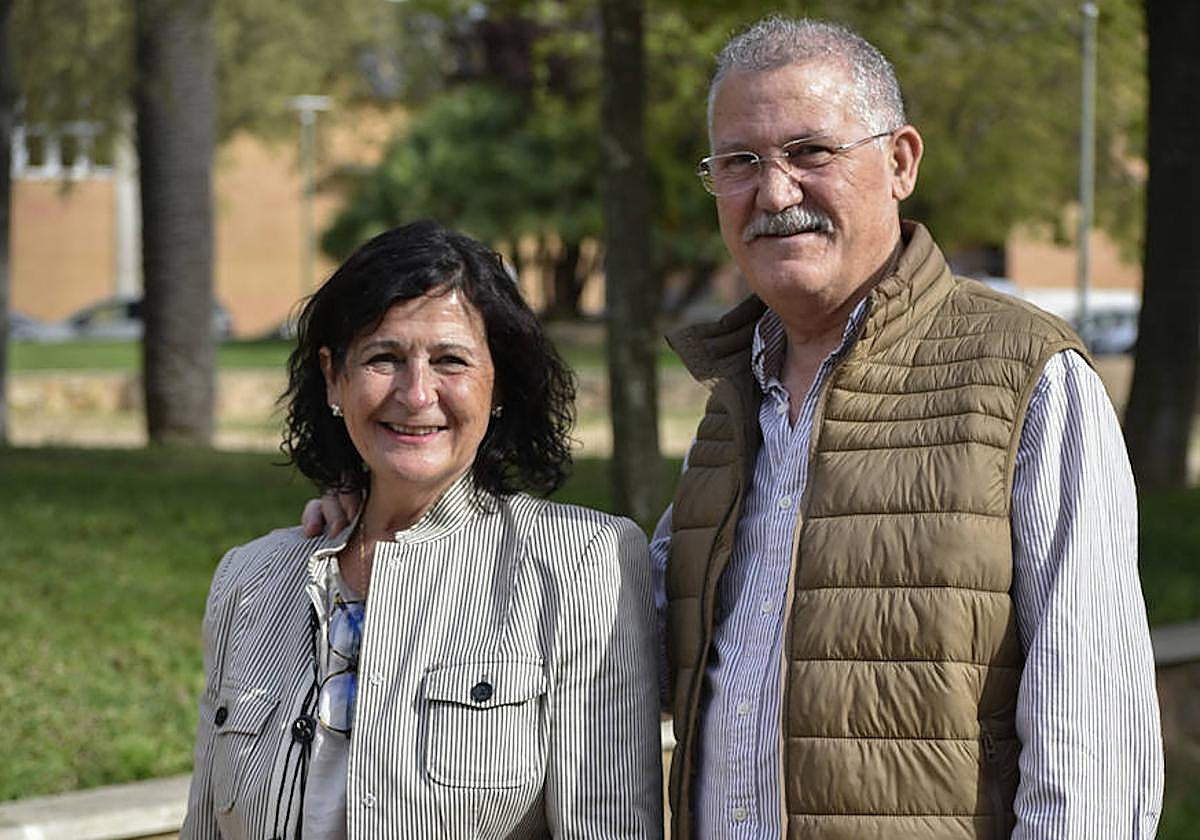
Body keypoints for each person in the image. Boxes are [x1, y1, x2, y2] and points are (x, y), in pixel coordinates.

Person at [305, 16, 1164, 839]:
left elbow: (1091, 743)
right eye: (740, 161)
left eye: (811, 152)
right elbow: (612, 633)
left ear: (901, 161)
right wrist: (394, 524)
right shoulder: (735, 401)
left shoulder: (1023, 377)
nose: (775, 191)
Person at [182, 220, 663, 839]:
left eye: (450, 360)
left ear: (498, 383)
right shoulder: (249, 580)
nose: (415, 395)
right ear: (333, 378)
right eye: (383, 358)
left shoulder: (581, 565)